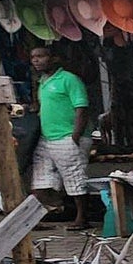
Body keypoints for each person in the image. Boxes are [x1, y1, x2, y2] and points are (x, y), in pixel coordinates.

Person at [29, 47, 92, 227]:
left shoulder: (69, 79)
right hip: (47, 137)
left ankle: (82, 218)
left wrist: (76, 136)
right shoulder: (42, 82)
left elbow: (82, 107)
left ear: (54, 58)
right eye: (33, 57)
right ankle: (38, 216)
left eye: (41, 56)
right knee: (41, 177)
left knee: (74, 176)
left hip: (68, 136)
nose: (36, 60)